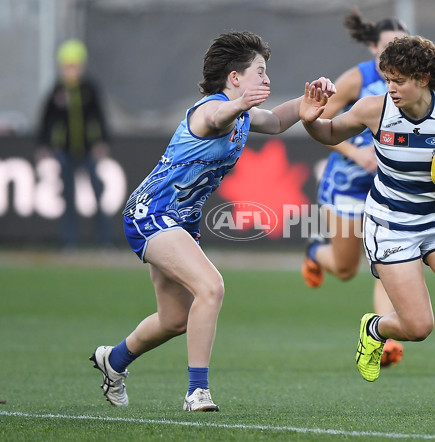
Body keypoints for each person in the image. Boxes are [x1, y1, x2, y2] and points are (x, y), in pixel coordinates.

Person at [89, 31, 335, 412]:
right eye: (260, 71)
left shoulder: (243, 113)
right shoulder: (212, 109)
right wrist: (237, 106)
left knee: (173, 319)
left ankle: (114, 360)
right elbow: (218, 117)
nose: (267, 80)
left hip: (179, 222)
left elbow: (277, 121)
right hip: (151, 213)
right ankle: (196, 392)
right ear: (234, 78)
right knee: (212, 286)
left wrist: (311, 99)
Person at [300, 35, 435, 413]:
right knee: (417, 328)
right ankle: (374, 329)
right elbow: (329, 132)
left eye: (399, 80)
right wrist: (312, 120)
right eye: (387, 79)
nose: (391, 88)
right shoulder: (373, 109)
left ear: (424, 78)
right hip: (391, 223)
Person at [301, 11, 408, 368]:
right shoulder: (357, 80)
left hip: (389, 186)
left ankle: (387, 336)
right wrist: (355, 152)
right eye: (389, 46)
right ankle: (316, 252)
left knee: (390, 260)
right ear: (374, 47)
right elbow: (318, 121)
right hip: (347, 184)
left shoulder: (412, 83)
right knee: (346, 270)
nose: (395, 52)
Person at [37, 39, 113, 249]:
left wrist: (102, 142)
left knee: (97, 192)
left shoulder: (89, 88)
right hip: (65, 152)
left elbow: (99, 116)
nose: (71, 71)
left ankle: (105, 241)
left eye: (75, 66)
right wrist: (44, 145)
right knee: (68, 197)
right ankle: (70, 242)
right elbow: (47, 120)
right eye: (67, 66)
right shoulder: (57, 91)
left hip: (88, 151)